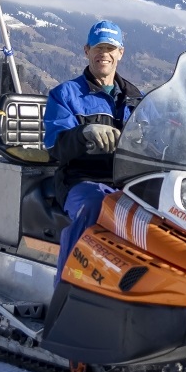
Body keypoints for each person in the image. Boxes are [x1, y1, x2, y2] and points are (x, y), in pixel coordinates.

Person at [43, 20, 142, 281]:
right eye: (98, 48)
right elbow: (55, 145)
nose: (104, 54)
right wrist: (84, 133)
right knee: (96, 207)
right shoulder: (66, 94)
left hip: (128, 182)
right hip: (80, 180)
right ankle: (67, 290)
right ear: (86, 50)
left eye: (110, 48)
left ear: (120, 52)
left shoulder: (136, 98)